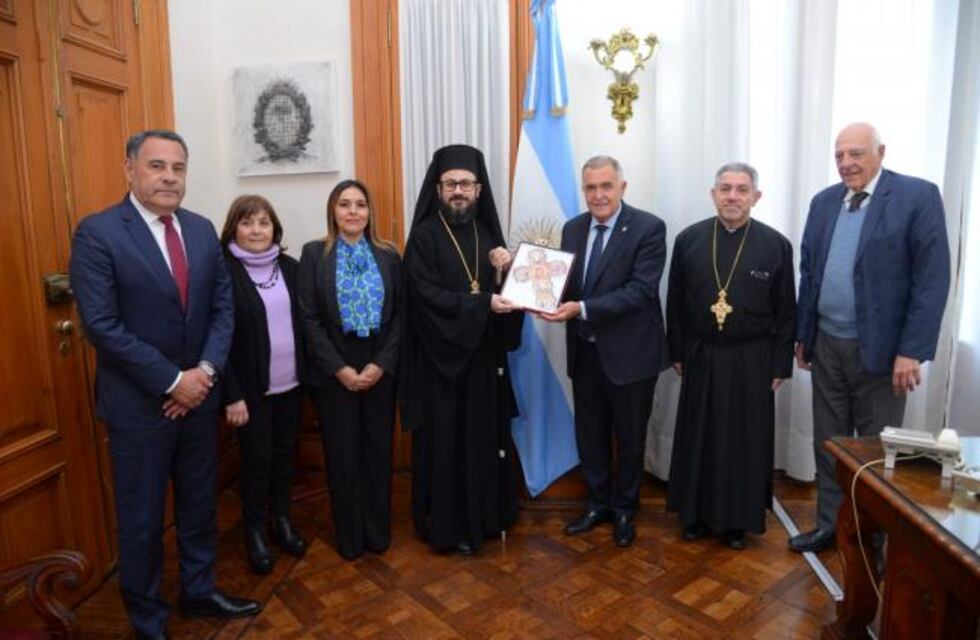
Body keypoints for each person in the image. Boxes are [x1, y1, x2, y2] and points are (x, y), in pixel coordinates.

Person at [69, 130, 260, 639]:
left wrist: (204, 376)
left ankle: (199, 592)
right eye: (157, 166)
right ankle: (148, 618)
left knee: (200, 506)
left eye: (178, 167)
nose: (169, 177)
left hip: (199, 399)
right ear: (130, 168)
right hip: (139, 409)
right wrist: (173, 381)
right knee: (143, 520)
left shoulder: (199, 231)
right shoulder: (99, 233)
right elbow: (101, 326)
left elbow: (223, 310)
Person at [790, 123, 951, 553]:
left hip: (882, 355)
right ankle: (830, 527)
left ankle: (872, 542)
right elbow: (810, 273)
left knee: (876, 453)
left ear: (880, 151)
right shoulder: (823, 203)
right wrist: (803, 335)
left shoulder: (917, 197)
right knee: (829, 444)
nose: (846, 163)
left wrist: (911, 350)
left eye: (856, 153)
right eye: (840, 155)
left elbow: (931, 280)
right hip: (826, 346)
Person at [665, 163, 796, 550]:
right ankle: (694, 516)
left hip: (751, 358)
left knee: (742, 441)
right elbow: (673, 303)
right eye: (725, 189)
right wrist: (677, 351)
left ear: (756, 196)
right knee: (698, 437)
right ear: (713, 194)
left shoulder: (775, 245)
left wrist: (779, 364)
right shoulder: (689, 240)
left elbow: (788, 311)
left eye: (741, 189)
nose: (733, 196)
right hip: (701, 353)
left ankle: (735, 521)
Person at [540, 155, 668, 548]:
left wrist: (582, 309)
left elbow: (641, 291)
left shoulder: (648, 227)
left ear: (622, 187)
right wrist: (534, 285)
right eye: (590, 188)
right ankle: (597, 504)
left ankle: (626, 509)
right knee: (591, 434)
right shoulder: (573, 228)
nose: (598, 195)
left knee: (630, 438)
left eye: (605, 186)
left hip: (631, 355)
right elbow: (566, 285)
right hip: (586, 352)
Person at [401, 144, 523, 555]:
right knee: (447, 447)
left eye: (466, 184)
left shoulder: (490, 236)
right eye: (450, 183)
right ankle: (449, 526)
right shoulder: (423, 238)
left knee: (482, 444)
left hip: (484, 366)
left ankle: (486, 519)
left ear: (479, 190)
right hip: (440, 370)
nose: (458, 191)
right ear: (437, 190)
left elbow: (507, 301)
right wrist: (480, 304)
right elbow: (424, 298)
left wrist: (505, 272)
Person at [298, 179, 401, 561]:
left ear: (369, 212)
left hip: (379, 363)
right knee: (342, 456)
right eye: (345, 204)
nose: (353, 211)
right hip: (333, 367)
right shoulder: (314, 254)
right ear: (333, 211)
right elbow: (308, 319)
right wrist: (339, 368)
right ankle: (350, 538)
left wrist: (380, 363)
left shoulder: (389, 255)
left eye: (360, 204)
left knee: (378, 453)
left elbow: (401, 318)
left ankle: (377, 533)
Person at [219, 195, 307, 574]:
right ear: (233, 228)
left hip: (291, 385)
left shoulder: (291, 267)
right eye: (248, 223)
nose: (257, 230)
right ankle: (254, 531)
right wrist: (232, 394)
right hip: (250, 393)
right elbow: (217, 339)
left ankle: (281, 521)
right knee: (257, 463)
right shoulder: (222, 272)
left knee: (285, 458)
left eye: (264, 223)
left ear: (275, 229)